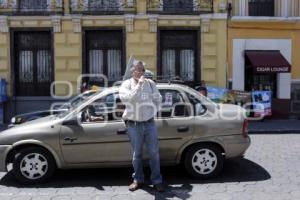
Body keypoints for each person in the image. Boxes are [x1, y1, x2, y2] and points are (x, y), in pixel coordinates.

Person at [119, 60, 164, 192]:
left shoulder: (150, 84)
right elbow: (128, 99)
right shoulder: (126, 85)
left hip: (149, 123)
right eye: (138, 70)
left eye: (142, 70)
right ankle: (138, 179)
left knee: (154, 153)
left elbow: (158, 99)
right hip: (134, 125)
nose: (140, 72)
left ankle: (157, 180)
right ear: (132, 71)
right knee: (137, 154)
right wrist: (138, 85)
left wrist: (152, 111)